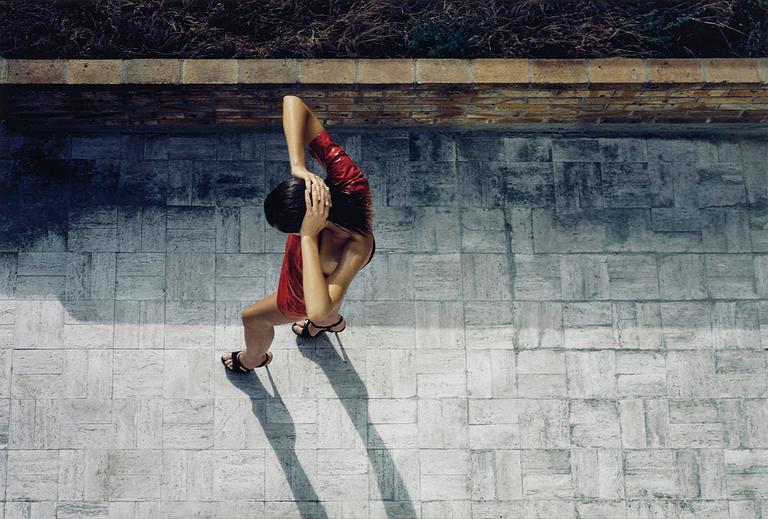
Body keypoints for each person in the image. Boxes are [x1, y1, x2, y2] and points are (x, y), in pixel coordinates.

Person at [221, 95, 376, 373]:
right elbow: (293, 102)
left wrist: (306, 238)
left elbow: (317, 308)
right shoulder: (349, 183)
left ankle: (252, 360)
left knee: (252, 318)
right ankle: (332, 324)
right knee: (330, 306)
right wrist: (298, 166)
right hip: (321, 292)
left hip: (302, 294)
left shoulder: (354, 247)